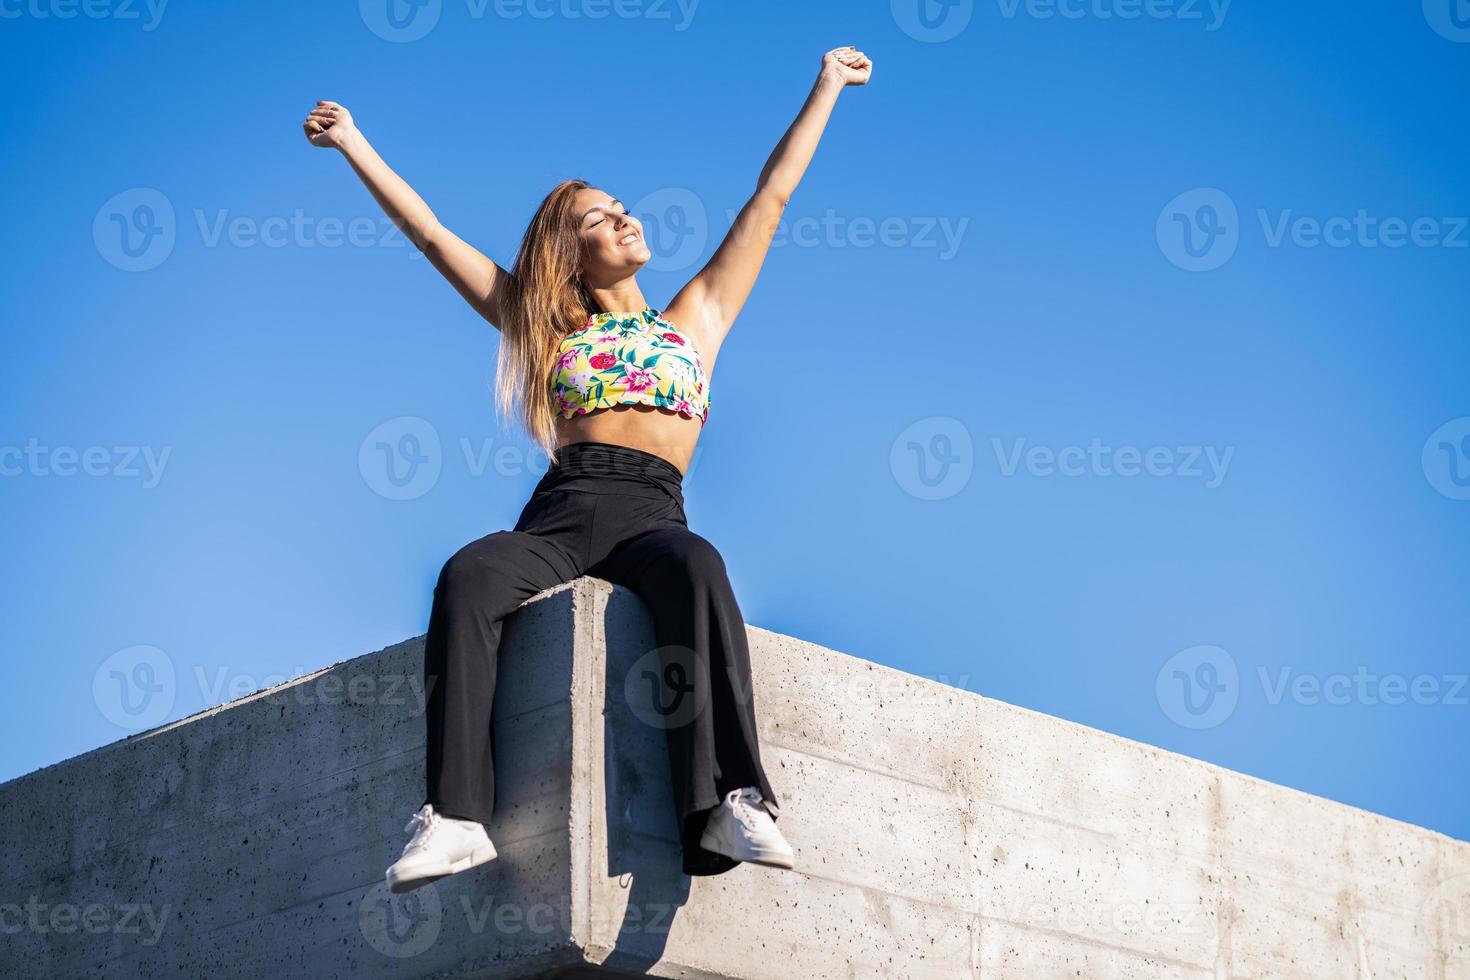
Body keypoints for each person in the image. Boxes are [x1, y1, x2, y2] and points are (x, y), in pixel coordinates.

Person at [301, 44, 873, 893]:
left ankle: (730, 798)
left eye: (621, 209)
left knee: (700, 568)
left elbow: (773, 196)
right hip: (565, 508)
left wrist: (826, 85)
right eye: (599, 220)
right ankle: (457, 818)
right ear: (569, 256)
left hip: (655, 512)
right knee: (469, 573)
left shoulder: (697, 319)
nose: (622, 220)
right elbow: (430, 234)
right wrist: (353, 143)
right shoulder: (547, 334)